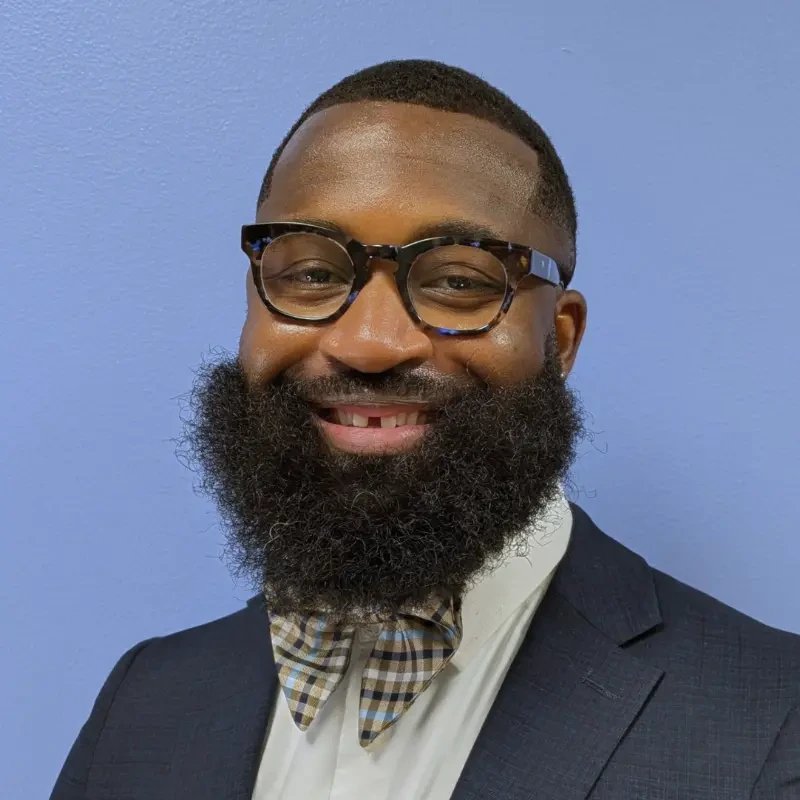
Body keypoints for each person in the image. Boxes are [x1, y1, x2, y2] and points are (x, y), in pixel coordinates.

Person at [50, 59, 800, 800]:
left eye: (458, 279)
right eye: (312, 272)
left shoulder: (772, 719)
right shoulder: (143, 704)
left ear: (560, 340)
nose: (370, 343)